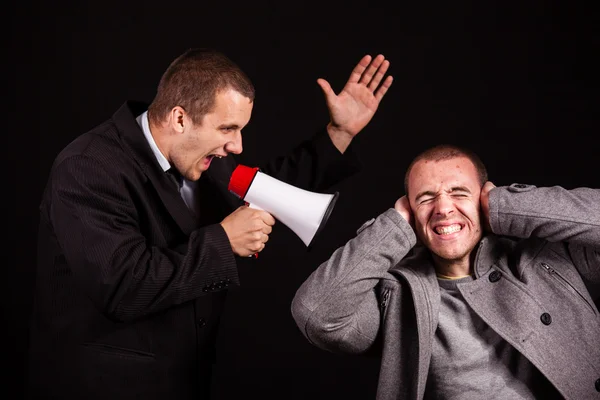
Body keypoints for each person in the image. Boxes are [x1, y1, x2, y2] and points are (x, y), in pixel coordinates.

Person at [28, 48, 393, 399]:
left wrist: (340, 133)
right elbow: (121, 284)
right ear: (180, 118)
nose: (236, 146)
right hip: (104, 389)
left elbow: (271, 187)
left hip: (182, 383)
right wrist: (223, 240)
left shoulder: (204, 160)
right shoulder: (89, 167)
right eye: (227, 128)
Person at [291, 144, 600, 400]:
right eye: (426, 198)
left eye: (459, 192)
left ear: (484, 199)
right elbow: (316, 314)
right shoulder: (397, 294)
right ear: (410, 212)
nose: (443, 208)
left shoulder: (546, 257)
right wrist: (393, 226)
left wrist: (507, 206)